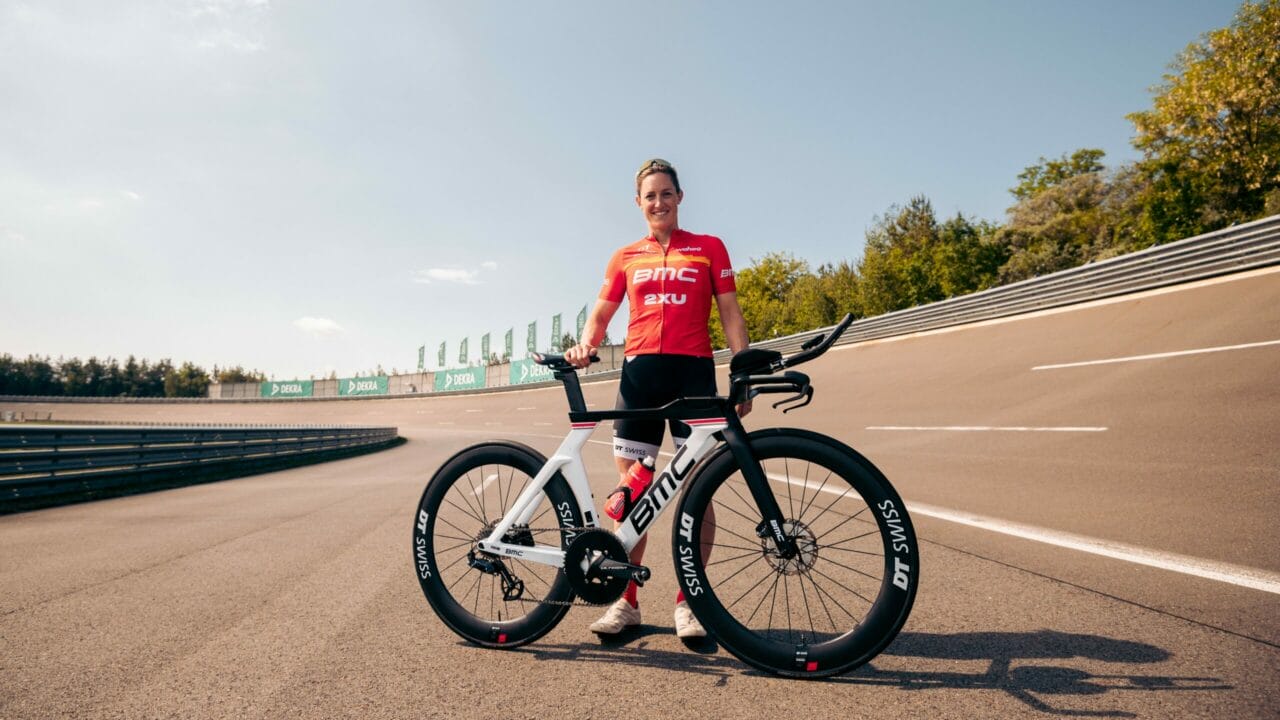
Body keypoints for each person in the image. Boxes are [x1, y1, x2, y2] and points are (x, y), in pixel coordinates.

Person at [565, 158, 751, 638]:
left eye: (666, 193)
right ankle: (626, 603)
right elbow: (602, 313)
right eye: (650, 195)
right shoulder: (625, 256)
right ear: (638, 203)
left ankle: (690, 603)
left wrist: (742, 370)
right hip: (639, 377)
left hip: (692, 376)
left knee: (698, 492)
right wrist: (587, 343)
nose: (658, 202)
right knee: (632, 494)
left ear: (679, 197)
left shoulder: (708, 249)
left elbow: (730, 312)